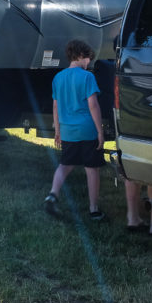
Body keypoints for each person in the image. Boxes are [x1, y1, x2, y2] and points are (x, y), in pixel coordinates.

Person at [44, 39, 106, 220]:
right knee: (92, 168)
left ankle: (53, 194)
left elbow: (55, 107)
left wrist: (57, 131)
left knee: (65, 165)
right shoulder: (88, 77)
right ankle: (94, 209)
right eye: (88, 59)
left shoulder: (58, 77)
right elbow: (93, 105)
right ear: (80, 56)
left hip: (68, 130)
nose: (89, 63)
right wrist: (100, 131)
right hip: (87, 129)